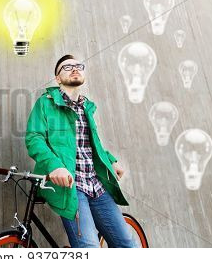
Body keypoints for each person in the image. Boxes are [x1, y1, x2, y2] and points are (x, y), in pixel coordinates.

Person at [25, 54, 138, 248]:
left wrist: (110, 160)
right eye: (67, 67)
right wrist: (55, 166)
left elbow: (92, 143)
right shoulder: (46, 103)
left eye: (78, 66)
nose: (75, 68)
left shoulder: (87, 106)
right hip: (72, 187)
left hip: (97, 185)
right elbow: (34, 138)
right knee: (89, 249)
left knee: (128, 245)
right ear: (58, 78)